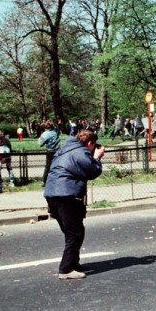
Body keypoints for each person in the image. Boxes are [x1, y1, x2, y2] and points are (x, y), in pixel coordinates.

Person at [44, 129, 105, 280]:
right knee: (75, 233)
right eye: (94, 145)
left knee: (71, 231)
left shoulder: (64, 149)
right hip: (66, 195)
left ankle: (74, 263)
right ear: (89, 143)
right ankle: (66, 269)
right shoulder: (81, 152)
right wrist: (96, 158)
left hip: (52, 193)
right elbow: (92, 171)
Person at [38, 119, 60, 185]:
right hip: (57, 150)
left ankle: (45, 181)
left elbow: (40, 144)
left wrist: (39, 139)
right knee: (57, 166)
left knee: (48, 166)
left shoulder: (45, 134)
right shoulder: (55, 132)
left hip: (50, 151)